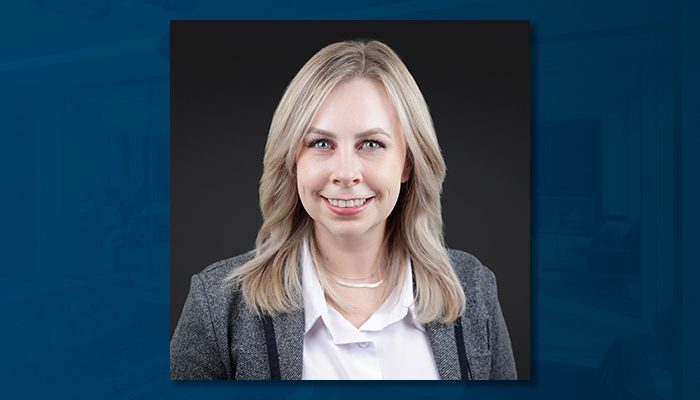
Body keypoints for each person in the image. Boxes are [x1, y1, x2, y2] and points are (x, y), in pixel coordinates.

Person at [170, 40, 516, 380]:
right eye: (321, 143)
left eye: (371, 144)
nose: (346, 174)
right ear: (292, 159)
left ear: (407, 163)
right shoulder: (219, 304)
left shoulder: (473, 288)